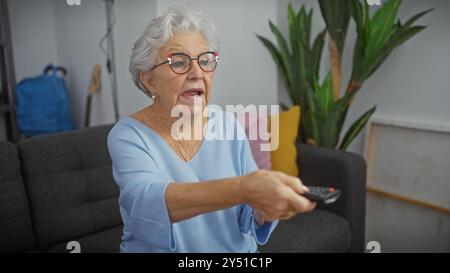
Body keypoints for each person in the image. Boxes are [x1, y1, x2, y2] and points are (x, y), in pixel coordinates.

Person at [107, 5, 315, 253]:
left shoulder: (227, 124)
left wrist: (264, 208)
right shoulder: (129, 135)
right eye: (179, 62)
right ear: (149, 79)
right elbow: (145, 205)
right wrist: (243, 188)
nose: (197, 72)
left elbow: (248, 214)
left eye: (205, 60)